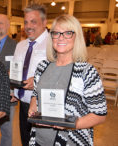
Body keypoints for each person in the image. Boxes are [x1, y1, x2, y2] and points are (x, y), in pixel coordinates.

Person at [28, 15, 107, 146]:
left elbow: (100, 115)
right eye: (56, 33)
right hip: (38, 140)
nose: (61, 38)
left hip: (71, 141)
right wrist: (33, 105)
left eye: (68, 33)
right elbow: (36, 94)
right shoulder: (42, 67)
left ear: (77, 37)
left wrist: (70, 124)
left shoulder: (87, 72)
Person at [12, 3, 48, 146]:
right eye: (26, 22)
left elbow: (61, 75)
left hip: (42, 105)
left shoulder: (54, 43)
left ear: (44, 22)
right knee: (25, 141)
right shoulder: (20, 45)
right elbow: (17, 72)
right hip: (23, 104)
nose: (28, 26)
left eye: (33, 21)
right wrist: (14, 90)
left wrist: (39, 81)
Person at [0, 14, 17, 146]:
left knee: (6, 131)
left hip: (8, 96)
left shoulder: (16, 46)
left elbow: (19, 71)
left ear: (7, 26)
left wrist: (14, 91)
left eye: (0, 23)